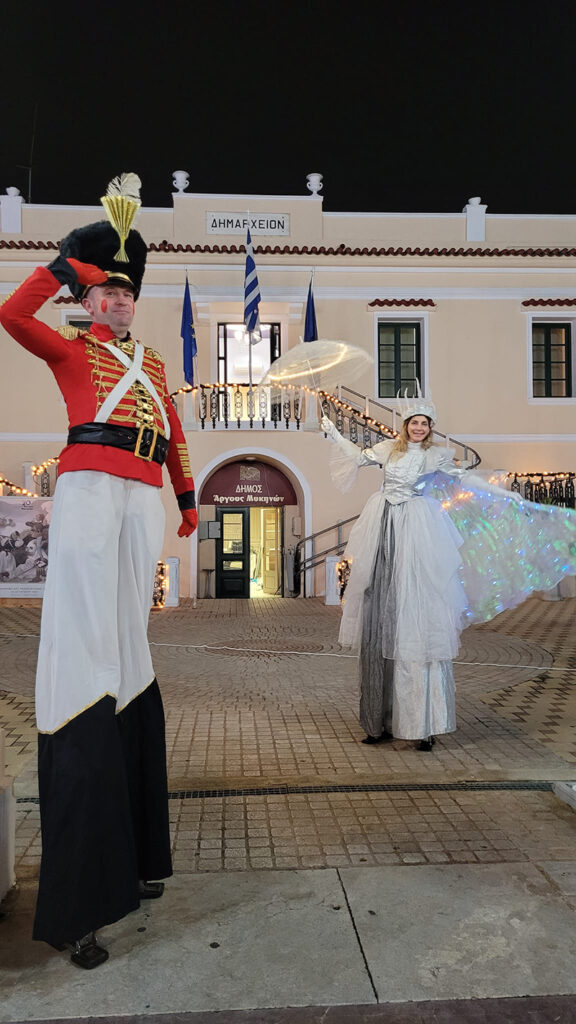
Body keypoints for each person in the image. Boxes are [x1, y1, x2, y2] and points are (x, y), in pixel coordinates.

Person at [0, 198, 197, 969]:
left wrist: (183, 498)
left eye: (125, 293)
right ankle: (82, 899)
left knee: (131, 647)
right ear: (86, 303)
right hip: (86, 486)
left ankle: (140, 853)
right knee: (85, 649)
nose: (118, 300)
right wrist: (63, 268)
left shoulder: (149, 364)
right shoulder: (70, 349)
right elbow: (11, 316)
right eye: (106, 292)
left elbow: (172, 430)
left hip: (141, 496)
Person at [321, 390, 576, 752]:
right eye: (414, 422)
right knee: (381, 617)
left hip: (418, 531)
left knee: (418, 620)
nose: (419, 428)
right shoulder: (386, 452)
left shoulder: (437, 457)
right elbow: (356, 457)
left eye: (425, 423)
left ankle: (422, 725)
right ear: (405, 426)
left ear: (431, 428)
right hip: (384, 528)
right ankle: (379, 721)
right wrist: (334, 433)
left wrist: (507, 495)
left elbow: (464, 481)